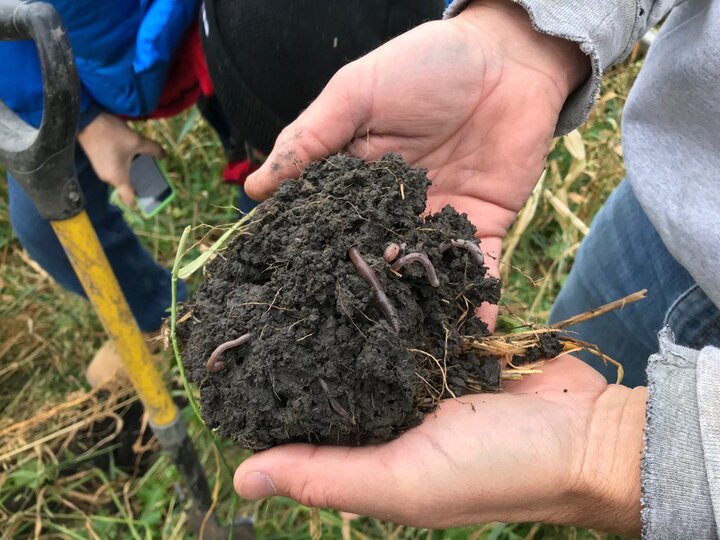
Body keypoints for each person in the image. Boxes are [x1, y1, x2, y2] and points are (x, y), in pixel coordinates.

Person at [229, 0, 720, 537]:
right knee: (578, 350)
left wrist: (627, 451)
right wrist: (527, 35)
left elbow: (629, 450)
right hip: (683, 188)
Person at [0, 0, 203, 386]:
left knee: (265, 150)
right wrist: (85, 122)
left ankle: (272, 299)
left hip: (216, 26)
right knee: (43, 224)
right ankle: (166, 315)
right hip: (54, 55)